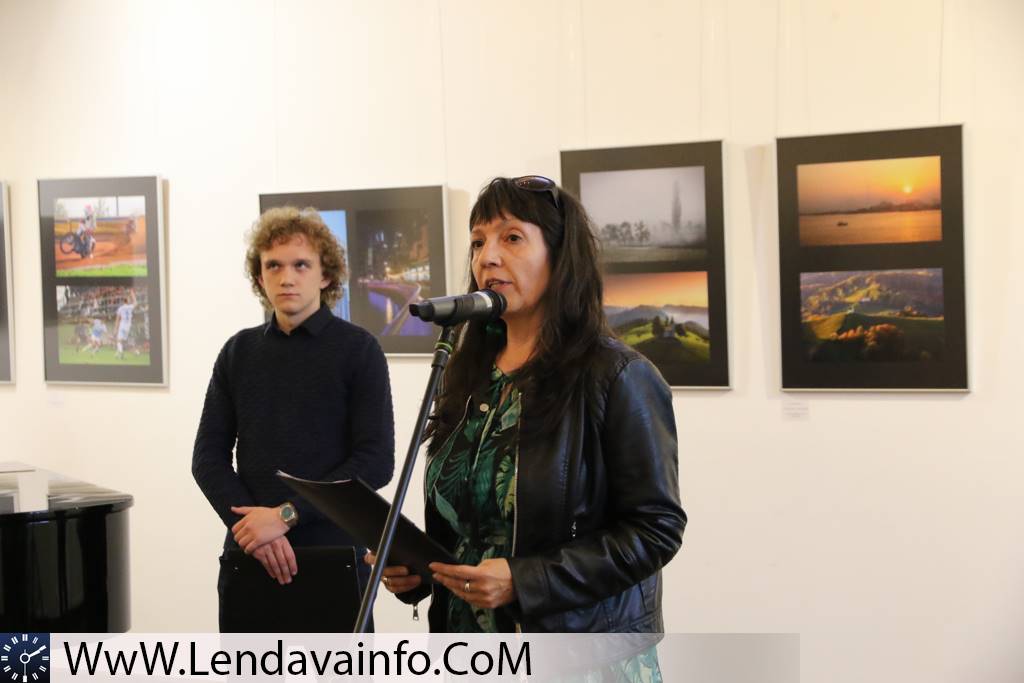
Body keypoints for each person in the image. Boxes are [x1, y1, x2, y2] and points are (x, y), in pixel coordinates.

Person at [370, 176, 686, 642]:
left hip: (578, 655)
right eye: (478, 242)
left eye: (512, 238)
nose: (488, 257)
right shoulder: (465, 375)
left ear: (560, 257)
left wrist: (525, 580)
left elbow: (656, 529)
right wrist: (419, 571)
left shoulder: (618, 376)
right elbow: (466, 525)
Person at [192, 206, 395, 631]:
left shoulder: (359, 350)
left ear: (325, 275)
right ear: (260, 276)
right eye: (274, 266)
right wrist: (252, 530)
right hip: (250, 556)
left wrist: (284, 516)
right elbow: (207, 459)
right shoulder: (238, 352)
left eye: (301, 265)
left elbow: (375, 462)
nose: (287, 278)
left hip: (334, 557)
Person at [114, 290, 136, 359]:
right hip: (128, 326)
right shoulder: (130, 307)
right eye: (129, 300)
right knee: (122, 341)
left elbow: (117, 320)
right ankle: (119, 353)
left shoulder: (120, 308)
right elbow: (136, 302)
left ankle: (121, 353)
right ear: (128, 301)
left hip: (122, 325)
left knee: (118, 341)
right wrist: (132, 294)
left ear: (123, 301)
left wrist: (115, 329)